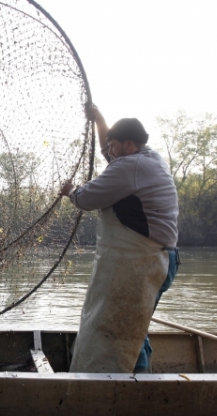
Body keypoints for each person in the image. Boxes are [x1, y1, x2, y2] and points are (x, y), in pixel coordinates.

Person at [59, 104, 179, 373]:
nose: (109, 152)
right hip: (159, 259)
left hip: (144, 261)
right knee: (136, 324)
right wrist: (100, 120)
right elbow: (108, 152)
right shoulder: (148, 159)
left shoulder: (130, 167)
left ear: (128, 145)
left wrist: (71, 191)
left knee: (124, 329)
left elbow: (86, 199)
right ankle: (138, 375)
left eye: (113, 146)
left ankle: (132, 384)